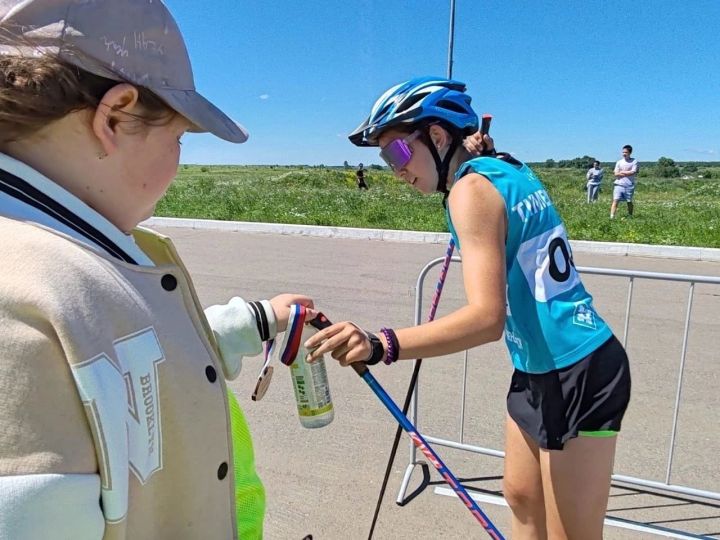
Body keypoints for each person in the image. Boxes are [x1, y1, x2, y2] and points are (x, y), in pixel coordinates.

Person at [0, 1, 316, 539]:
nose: (177, 161)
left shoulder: (70, 257)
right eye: (177, 139)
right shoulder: (31, 308)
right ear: (116, 116)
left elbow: (123, 357)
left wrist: (256, 319)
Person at [305, 77, 631, 539]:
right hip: (538, 367)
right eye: (383, 160)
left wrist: (381, 345)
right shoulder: (498, 166)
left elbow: (485, 318)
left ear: (437, 137)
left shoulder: (469, 191)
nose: (395, 169)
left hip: (575, 367)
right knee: (521, 498)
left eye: (397, 153)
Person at [610, 145, 638, 218]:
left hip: (629, 185)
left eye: (626, 152)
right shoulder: (619, 162)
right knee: (615, 200)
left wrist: (622, 172)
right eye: (623, 152)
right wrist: (626, 173)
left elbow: (633, 172)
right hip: (619, 184)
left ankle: (630, 216)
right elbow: (616, 174)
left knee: (629, 201)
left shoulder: (634, 161)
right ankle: (612, 217)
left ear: (630, 153)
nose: (624, 154)